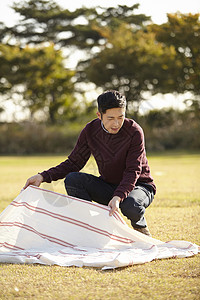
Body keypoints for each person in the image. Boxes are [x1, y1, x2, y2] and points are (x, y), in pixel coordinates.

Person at [23, 90, 156, 236]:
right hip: (109, 186)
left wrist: (118, 197)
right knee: (73, 179)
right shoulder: (90, 131)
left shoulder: (134, 131)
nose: (116, 123)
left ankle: (141, 228)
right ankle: (92, 228)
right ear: (99, 115)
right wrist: (42, 176)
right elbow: (73, 163)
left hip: (139, 186)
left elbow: (133, 171)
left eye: (121, 117)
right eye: (110, 118)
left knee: (130, 205)